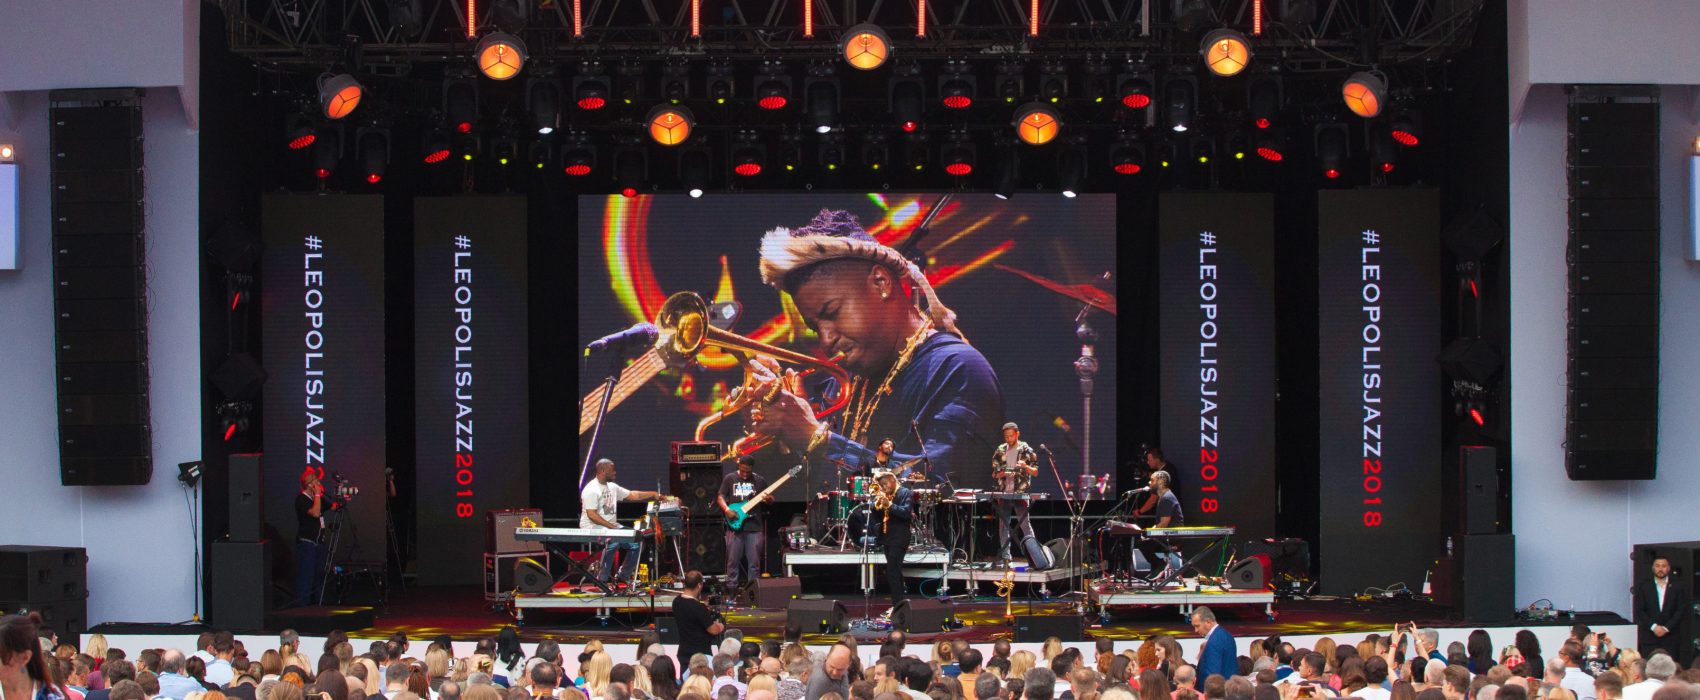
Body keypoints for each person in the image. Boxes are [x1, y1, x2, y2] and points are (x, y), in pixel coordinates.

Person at [746, 209, 1005, 494]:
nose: (826, 340)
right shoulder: (840, 387)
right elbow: (814, 502)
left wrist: (817, 439)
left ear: (881, 283)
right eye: (815, 328)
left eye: (832, 312)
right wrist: (777, 440)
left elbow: (940, 492)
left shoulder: (959, 369)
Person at [580, 459, 668, 586]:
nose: (615, 472)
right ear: (603, 470)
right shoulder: (591, 489)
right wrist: (612, 528)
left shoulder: (612, 487)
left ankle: (623, 576)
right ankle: (602, 579)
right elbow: (592, 515)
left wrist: (653, 494)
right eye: (612, 470)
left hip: (611, 527)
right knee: (613, 541)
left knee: (637, 541)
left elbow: (633, 495)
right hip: (592, 527)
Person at [719, 457, 773, 597]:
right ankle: (732, 590)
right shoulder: (730, 478)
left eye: (747, 472)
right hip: (734, 526)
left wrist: (769, 500)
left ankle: (752, 592)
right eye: (742, 471)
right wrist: (727, 509)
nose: (744, 474)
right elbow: (720, 496)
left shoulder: (759, 481)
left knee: (754, 563)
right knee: (732, 561)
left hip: (754, 527)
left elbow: (770, 500)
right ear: (739, 466)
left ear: (752, 468)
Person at [990, 423, 1038, 566]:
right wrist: (1002, 473)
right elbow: (994, 473)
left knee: (1025, 525)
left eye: (1011, 436)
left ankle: (1035, 556)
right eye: (1006, 436)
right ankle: (1006, 558)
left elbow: (1035, 472)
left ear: (1017, 434)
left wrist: (1025, 466)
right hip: (1004, 492)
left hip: (1020, 492)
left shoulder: (1026, 450)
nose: (1009, 439)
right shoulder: (1000, 450)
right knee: (1003, 526)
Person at [1634, 557, 1690, 663]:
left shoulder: (1678, 586)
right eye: (1657, 566)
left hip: (1671, 636)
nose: (1660, 569)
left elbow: (1681, 610)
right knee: (1649, 665)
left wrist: (1666, 628)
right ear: (1653, 568)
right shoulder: (1644, 586)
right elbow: (1640, 610)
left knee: (1671, 667)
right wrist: (1654, 627)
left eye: (1663, 566)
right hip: (1649, 636)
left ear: (1668, 568)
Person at [872, 470, 914, 607]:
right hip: (888, 537)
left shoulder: (905, 492)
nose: (883, 487)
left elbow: (906, 513)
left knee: (892, 572)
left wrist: (890, 505)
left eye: (885, 484)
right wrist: (876, 505)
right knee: (895, 571)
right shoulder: (886, 495)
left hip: (900, 537)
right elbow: (877, 517)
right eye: (881, 485)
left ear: (892, 480)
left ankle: (897, 606)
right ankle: (901, 604)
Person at [672, 572, 726, 673]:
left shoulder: (676, 601)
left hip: (684, 651)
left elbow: (690, 613)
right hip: (700, 655)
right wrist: (720, 625)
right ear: (699, 585)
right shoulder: (698, 608)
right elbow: (713, 630)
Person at [1133, 471, 1182, 580]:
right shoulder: (1164, 497)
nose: (1149, 482)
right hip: (1167, 534)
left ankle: (1159, 565)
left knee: (1143, 544)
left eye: (1152, 480)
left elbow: (1164, 524)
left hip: (1171, 536)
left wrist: (1149, 534)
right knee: (1144, 542)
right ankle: (1157, 566)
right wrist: (1150, 531)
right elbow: (1160, 524)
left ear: (1160, 482)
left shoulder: (1166, 498)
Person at [295, 470, 327, 606]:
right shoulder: (301, 499)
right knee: (306, 575)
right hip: (307, 543)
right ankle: (303, 606)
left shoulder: (316, 499)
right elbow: (315, 513)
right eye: (314, 480)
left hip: (319, 542)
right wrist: (318, 494)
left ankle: (318, 605)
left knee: (319, 575)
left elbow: (332, 506)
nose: (318, 481)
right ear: (309, 484)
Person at [1192, 608, 1236, 682]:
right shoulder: (1226, 635)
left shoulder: (1214, 641)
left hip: (1215, 687)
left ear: (1208, 622)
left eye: (1197, 626)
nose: (1196, 630)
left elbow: (1213, 675)